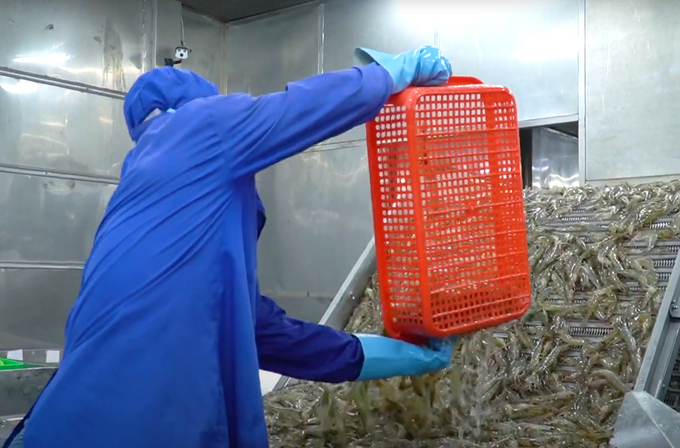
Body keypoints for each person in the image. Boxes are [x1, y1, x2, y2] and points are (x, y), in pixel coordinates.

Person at [5, 45, 454, 448]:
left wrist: (394, 356)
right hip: (152, 424)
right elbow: (299, 109)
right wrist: (388, 77)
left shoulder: (143, 195)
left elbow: (267, 334)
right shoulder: (199, 127)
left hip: (63, 422)